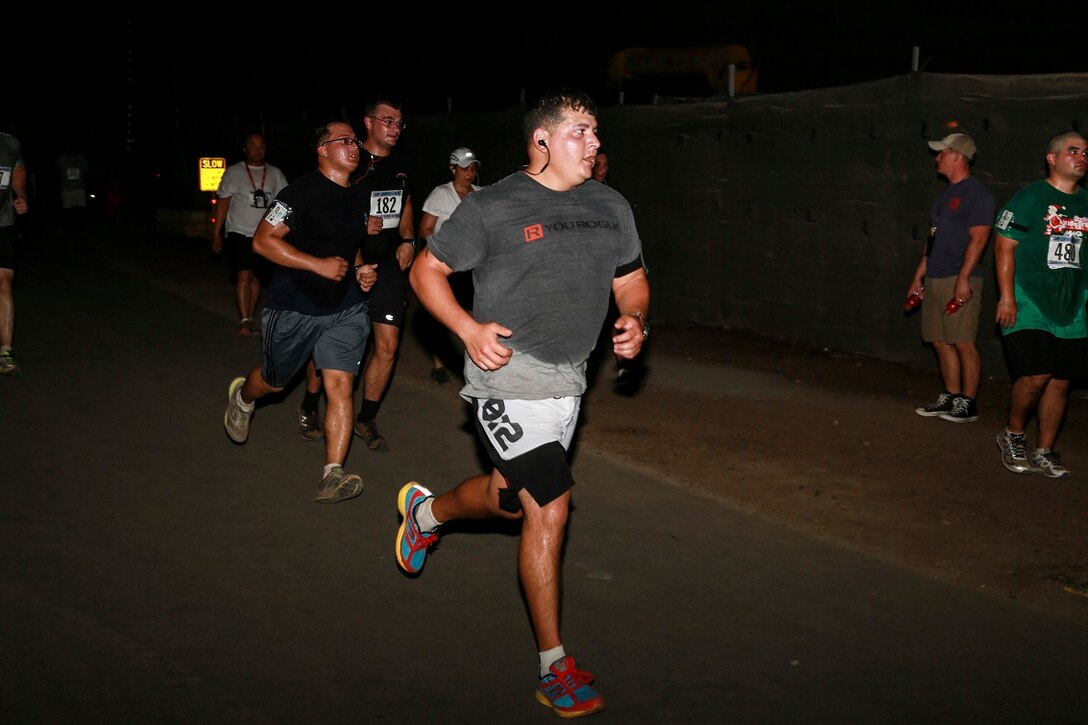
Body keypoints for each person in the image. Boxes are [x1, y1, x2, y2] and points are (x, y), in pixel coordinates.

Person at [402, 90, 650, 718]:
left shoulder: (610, 205)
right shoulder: (493, 206)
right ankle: (554, 667)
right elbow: (426, 273)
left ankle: (427, 515)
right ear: (542, 140)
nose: (594, 143)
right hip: (508, 381)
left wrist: (634, 318)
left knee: (511, 501)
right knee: (551, 506)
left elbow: (631, 279)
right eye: (580, 132)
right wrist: (467, 329)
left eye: (596, 132)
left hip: (570, 383)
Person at [222, 120, 378, 503]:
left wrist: (359, 269)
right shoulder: (298, 193)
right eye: (344, 140)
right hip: (295, 306)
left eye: (356, 140)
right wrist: (317, 265)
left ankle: (332, 475)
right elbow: (262, 241)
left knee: (340, 386)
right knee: (274, 383)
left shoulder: (358, 197)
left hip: (344, 307)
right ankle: (244, 397)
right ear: (323, 150)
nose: (354, 145)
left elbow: (350, 245)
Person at [993, 129, 1088, 479]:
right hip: (1029, 298)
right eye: (1073, 151)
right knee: (1036, 373)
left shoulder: (1086, 204)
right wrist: (1006, 296)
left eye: (1085, 153)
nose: (1081, 157)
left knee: (1060, 381)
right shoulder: (1031, 198)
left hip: (1071, 305)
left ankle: (1045, 450)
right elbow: (1004, 245)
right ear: (1052, 158)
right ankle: (1013, 434)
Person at [909, 132, 995, 423]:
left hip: (958, 277)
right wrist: (918, 275)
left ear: (957, 156)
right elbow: (932, 240)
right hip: (935, 276)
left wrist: (964, 278)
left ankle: (968, 403)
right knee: (939, 340)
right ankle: (951, 395)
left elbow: (979, 240)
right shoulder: (943, 195)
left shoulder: (978, 194)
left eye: (942, 153)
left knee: (962, 341)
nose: (937, 158)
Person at [351, 97, 417, 452]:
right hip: (348, 263)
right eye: (387, 121)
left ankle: (366, 418)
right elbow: (329, 209)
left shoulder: (402, 167)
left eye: (399, 123)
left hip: (388, 267)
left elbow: (405, 204)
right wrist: (360, 227)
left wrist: (408, 239)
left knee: (387, 345)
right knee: (339, 345)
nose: (394, 128)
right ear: (368, 122)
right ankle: (312, 404)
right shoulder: (349, 160)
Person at [212, 132, 289, 337]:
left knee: (256, 277)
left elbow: (284, 204)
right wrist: (216, 232)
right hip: (238, 231)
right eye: (252, 146)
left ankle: (250, 318)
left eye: (261, 145)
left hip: (264, 235)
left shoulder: (275, 174)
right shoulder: (233, 172)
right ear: (245, 149)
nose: (258, 149)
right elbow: (223, 202)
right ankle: (245, 321)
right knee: (243, 274)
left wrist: (282, 229)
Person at [416, 146, 482, 385]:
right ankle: (439, 364)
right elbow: (424, 229)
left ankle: (475, 360)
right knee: (444, 313)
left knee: (475, 313)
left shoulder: (480, 194)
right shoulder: (441, 194)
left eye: (473, 168)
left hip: (474, 266)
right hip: (446, 265)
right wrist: (443, 251)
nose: (470, 173)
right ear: (453, 168)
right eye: (465, 168)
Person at [0, 128, 29, 376]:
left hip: (3, 224)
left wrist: (20, 195)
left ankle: (5, 352)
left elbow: (18, 171)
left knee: (4, 284)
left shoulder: (10, 143)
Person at [55, 144, 90, 239]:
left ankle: (81, 230)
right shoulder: (62, 158)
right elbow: (57, 171)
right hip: (66, 189)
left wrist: (85, 187)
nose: (72, 149)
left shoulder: (81, 159)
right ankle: (68, 231)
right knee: (67, 211)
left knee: (81, 210)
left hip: (79, 188)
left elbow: (86, 173)